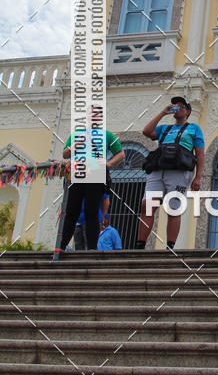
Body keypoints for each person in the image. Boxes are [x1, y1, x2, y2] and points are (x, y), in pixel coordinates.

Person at [54, 110, 124, 261]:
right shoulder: (76, 133)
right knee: (71, 212)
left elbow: (121, 154)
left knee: (92, 212)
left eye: (97, 114)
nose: (94, 116)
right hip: (77, 174)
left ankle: (92, 249)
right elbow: (65, 154)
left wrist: (108, 163)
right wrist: (75, 145)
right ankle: (61, 247)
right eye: (91, 114)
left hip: (95, 174)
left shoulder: (107, 135)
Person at [136, 97, 205, 251]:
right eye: (175, 105)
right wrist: (163, 113)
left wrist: (198, 177)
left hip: (179, 171)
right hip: (159, 169)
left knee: (173, 208)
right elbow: (147, 131)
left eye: (181, 106)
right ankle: (140, 245)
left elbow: (200, 154)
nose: (177, 108)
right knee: (147, 205)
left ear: (187, 111)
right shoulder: (164, 128)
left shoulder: (194, 128)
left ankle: (170, 247)